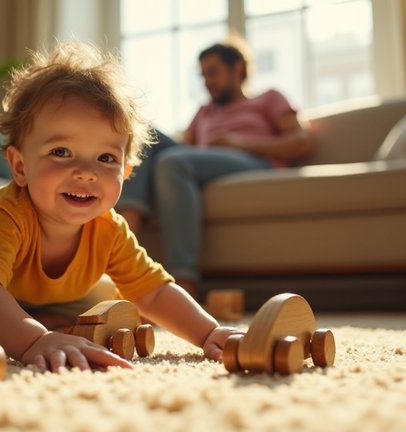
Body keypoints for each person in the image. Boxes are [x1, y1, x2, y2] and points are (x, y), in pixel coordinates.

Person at [0, 41, 244, 372]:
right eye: (61, 152)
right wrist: (34, 339)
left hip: (33, 286)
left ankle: (23, 310)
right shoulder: (7, 214)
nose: (85, 173)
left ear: (126, 172)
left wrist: (208, 331)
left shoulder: (110, 229)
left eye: (105, 157)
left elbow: (155, 292)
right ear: (20, 166)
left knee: (107, 297)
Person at [115, 38, 313, 296]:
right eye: (203, 75)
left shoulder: (268, 98)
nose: (207, 81)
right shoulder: (204, 111)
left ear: (238, 69)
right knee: (145, 135)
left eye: (213, 72)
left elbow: (302, 142)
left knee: (173, 161)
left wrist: (240, 142)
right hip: (200, 164)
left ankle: (182, 280)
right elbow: (183, 148)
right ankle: (124, 235)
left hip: (252, 161)